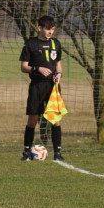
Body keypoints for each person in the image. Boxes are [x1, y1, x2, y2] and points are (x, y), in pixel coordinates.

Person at [20, 15, 64, 161]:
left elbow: (58, 64)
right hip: (37, 86)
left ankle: (58, 154)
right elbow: (24, 67)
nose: (50, 32)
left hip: (53, 86)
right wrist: (37, 69)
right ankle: (26, 153)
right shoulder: (31, 44)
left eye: (52, 29)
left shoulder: (56, 44)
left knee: (55, 119)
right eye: (47, 29)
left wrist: (59, 74)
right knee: (33, 118)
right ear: (40, 28)